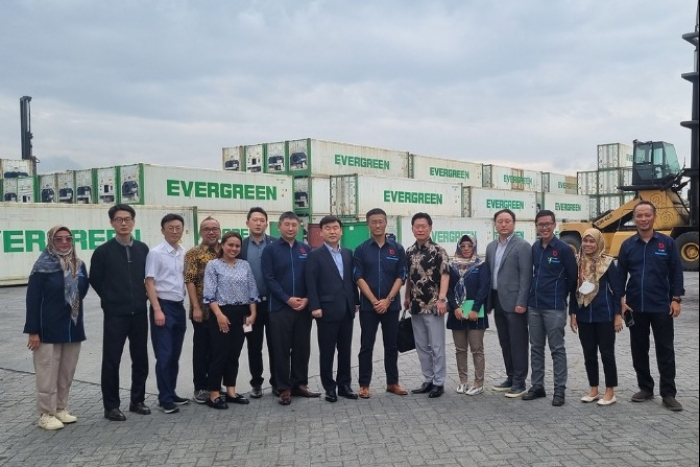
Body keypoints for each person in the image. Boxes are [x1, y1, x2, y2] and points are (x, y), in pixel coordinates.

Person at [618, 200, 685, 412]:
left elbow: (676, 272)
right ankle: (646, 388)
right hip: (635, 306)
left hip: (661, 305)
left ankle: (668, 393)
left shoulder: (667, 243)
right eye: (639, 216)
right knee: (639, 349)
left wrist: (676, 299)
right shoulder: (628, 245)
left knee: (665, 349)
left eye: (647, 215)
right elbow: (620, 275)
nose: (643, 219)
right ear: (634, 219)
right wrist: (620, 299)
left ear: (654, 217)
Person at [24, 226, 89, 430]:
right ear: (51, 241)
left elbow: (82, 291)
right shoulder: (42, 266)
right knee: (47, 372)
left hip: (72, 327)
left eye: (68, 239)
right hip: (47, 328)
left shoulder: (79, 265)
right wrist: (33, 331)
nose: (64, 243)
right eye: (59, 239)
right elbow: (32, 299)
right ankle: (46, 413)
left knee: (65, 372)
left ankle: (60, 408)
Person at [90, 204, 151, 421]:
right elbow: (95, 280)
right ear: (112, 223)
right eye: (119, 219)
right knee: (112, 360)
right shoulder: (103, 252)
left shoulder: (143, 249)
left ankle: (137, 400)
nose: (123, 223)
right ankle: (111, 406)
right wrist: (110, 298)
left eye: (127, 219)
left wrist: (143, 297)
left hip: (139, 313)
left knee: (140, 358)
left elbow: (150, 278)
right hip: (115, 314)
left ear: (133, 222)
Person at [261, 211, 321, 405]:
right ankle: (283, 387)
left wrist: (306, 299)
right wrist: (287, 299)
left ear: (299, 227)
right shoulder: (270, 250)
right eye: (286, 224)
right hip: (279, 307)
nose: (290, 228)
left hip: (303, 308)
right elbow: (269, 278)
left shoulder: (305, 249)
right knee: (280, 348)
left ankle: (299, 384)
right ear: (279, 227)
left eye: (294, 225)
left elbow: (311, 278)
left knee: (302, 348)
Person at [522, 210, 577, 406]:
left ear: (554, 226)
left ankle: (559, 390)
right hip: (534, 306)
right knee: (536, 348)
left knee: (557, 349)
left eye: (548, 224)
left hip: (554, 307)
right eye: (540, 224)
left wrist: (565, 301)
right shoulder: (535, 248)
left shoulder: (563, 249)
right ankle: (537, 386)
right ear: (536, 226)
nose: (544, 227)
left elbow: (573, 278)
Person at [353, 208, 408, 398]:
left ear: (386, 223)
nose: (377, 225)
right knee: (366, 346)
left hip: (391, 306)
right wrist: (375, 301)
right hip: (369, 307)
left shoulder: (397, 249)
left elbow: (401, 276)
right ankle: (364, 385)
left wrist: (388, 300)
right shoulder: (361, 249)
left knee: (391, 346)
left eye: (381, 221)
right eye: (373, 222)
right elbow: (358, 277)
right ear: (368, 224)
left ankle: (392, 383)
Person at [202, 231, 259, 409]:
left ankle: (232, 391)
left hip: (241, 312)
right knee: (220, 353)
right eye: (230, 245)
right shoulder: (213, 265)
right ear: (222, 245)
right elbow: (209, 294)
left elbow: (252, 291)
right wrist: (219, 315)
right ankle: (214, 394)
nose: (234, 248)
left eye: (237, 246)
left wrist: (253, 314)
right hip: (221, 312)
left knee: (234, 354)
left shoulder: (244, 265)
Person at [306, 216, 359, 402]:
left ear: (341, 230)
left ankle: (345, 385)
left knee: (345, 350)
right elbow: (310, 283)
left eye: (336, 227)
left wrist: (356, 301)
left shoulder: (347, 253)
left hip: (346, 309)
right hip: (326, 311)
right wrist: (315, 306)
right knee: (327, 351)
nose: (332, 231)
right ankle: (329, 387)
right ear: (321, 232)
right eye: (328, 228)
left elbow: (351, 280)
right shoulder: (314, 255)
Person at [569, 229, 624, 406]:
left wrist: (618, 316)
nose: (588, 245)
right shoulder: (577, 262)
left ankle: (610, 391)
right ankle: (593, 388)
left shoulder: (607, 263)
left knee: (607, 354)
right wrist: (573, 314)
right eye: (585, 241)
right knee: (589, 354)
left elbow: (617, 292)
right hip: (584, 315)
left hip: (604, 315)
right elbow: (573, 290)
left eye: (592, 241)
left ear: (598, 242)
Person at [485, 209, 532, 398]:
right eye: (500, 221)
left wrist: (522, 301)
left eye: (507, 221)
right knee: (505, 341)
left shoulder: (522, 246)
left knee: (518, 342)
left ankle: (520, 382)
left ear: (514, 224)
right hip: (497, 300)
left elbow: (526, 276)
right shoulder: (491, 247)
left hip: (515, 303)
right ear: (495, 224)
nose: (503, 225)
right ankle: (510, 377)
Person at [145, 213, 189, 414]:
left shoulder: (183, 252)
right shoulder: (155, 253)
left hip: (178, 307)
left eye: (178, 228)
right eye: (170, 228)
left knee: (175, 354)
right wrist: (157, 310)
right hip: (163, 307)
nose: (174, 231)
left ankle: (171, 392)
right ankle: (164, 399)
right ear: (162, 230)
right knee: (164, 354)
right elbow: (149, 282)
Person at [403, 212, 450, 399]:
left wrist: (442, 299)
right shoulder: (409, 251)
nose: (420, 229)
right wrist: (406, 297)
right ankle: (428, 379)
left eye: (424, 226)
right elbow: (408, 277)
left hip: (433, 306)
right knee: (422, 345)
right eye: (417, 226)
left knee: (437, 346)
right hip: (415, 306)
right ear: (412, 229)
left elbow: (445, 275)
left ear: (430, 228)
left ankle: (439, 382)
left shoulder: (438, 251)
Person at [239, 207, 278, 398]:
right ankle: (256, 383)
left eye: (262, 220)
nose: (258, 223)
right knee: (253, 346)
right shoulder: (241, 246)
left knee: (275, 345)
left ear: (266, 223)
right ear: (247, 223)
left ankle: (276, 383)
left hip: (273, 304)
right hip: (249, 308)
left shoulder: (275, 243)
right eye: (254, 220)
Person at [446, 234, 491, 396]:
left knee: (477, 349)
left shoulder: (481, 264)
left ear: (474, 247)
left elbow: (484, 288)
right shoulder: (451, 265)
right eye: (463, 246)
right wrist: (455, 308)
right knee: (460, 349)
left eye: (469, 246)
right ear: (458, 247)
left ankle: (478, 383)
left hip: (475, 312)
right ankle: (463, 381)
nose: (466, 249)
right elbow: (448, 289)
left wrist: (475, 308)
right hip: (457, 313)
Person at [184, 216, 221, 404]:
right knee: (201, 350)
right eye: (207, 229)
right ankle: (200, 387)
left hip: (222, 312)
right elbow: (189, 280)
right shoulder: (193, 253)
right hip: (202, 311)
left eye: (215, 228)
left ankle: (214, 384)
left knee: (218, 350)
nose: (211, 232)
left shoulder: (226, 250)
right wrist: (196, 308)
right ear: (201, 232)